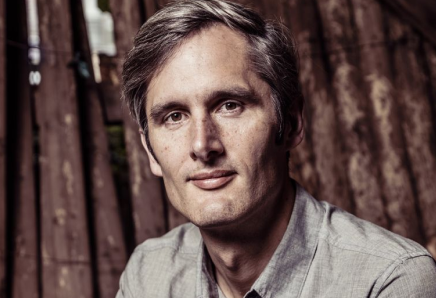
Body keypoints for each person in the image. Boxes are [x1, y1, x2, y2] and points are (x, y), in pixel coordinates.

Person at [116, 0, 436, 297]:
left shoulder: (389, 279)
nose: (202, 145)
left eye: (230, 105)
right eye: (174, 117)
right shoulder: (147, 275)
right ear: (150, 151)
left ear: (292, 123)